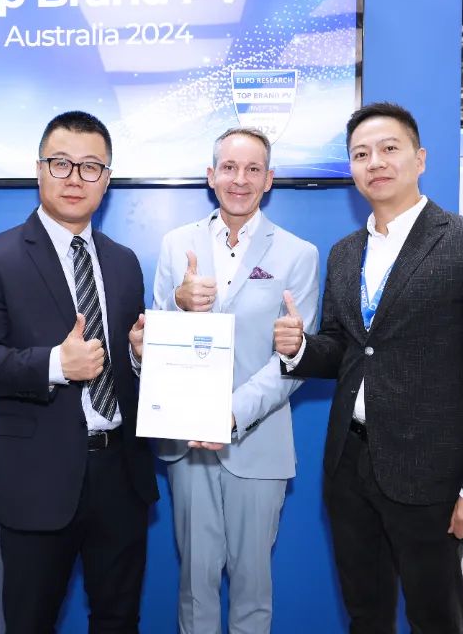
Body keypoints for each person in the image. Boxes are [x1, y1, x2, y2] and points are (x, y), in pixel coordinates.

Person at [274, 102, 463, 633]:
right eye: (360, 154)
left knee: (433, 617)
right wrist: (301, 348)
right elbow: (348, 349)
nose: (375, 162)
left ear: (420, 158)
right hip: (350, 463)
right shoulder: (345, 253)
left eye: (389, 149)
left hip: (431, 472)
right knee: (365, 612)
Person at [0, 111, 158, 633]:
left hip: (121, 475)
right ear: (39, 169)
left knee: (119, 620)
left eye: (91, 167)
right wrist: (54, 365)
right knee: (30, 621)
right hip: (37, 479)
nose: (74, 178)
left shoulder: (124, 261)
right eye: (61, 163)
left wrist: (137, 355)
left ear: (106, 180)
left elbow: (123, 364)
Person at [150, 126, 319, 633]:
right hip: (189, 444)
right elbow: (157, 343)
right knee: (195, 585)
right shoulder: (176, 245)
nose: (239, 179)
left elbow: (293, 361)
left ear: (269, 179)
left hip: (258, 443)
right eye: (229, 168)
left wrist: (230, 413)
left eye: (252, 169)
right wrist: (177, 304)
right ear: (211, 175)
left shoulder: (298, 254)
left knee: (252, 587)